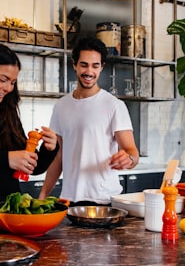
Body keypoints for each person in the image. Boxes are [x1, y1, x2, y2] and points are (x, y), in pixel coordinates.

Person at [39, 37, 139, 206]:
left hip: (104, 200)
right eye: (84, 65)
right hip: (69, 200)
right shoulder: (61, 106)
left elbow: (132, 152)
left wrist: (128, 159)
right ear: (74, 65)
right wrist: (42, 196)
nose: (89, 71)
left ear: (102, 67)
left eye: (95, 65)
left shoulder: (114, 105)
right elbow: (58, 156)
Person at [0, 44, 59, 201]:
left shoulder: (8, 113)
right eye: (3, 80)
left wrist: (49, 148)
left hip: (9, 210)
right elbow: (9, 159)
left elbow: (33, 168)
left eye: (12, 82)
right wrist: (7, 159)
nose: (8, 88)